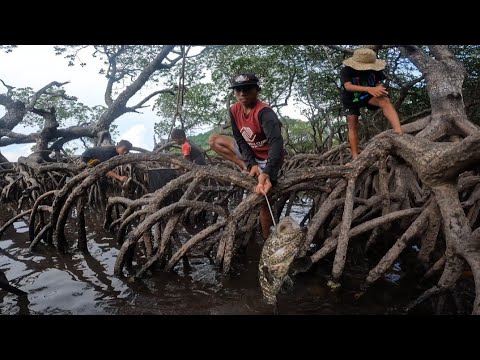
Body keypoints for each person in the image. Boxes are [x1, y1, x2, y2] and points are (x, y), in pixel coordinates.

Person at [209, 72, 284, 239]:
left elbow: (277, 144)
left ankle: (267, 241)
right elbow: (240, 140)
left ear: (257, 90)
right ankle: (244, 166)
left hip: (267, 156)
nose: (242, 93)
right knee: (214, 140)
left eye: (247, 89)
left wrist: (267, 171)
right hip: (249, 151)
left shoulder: (265, 113)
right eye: (238, 90)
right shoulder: (234, 110)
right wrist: (250, 164)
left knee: (263, 199)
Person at [340, 47, 403, 160]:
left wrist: (379, 88)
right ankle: (355, 157)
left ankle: (399, 133)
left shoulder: (375, 70)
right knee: (353, 124)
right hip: (350, 99)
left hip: (368, 96)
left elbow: (378, 83)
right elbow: (348, 86)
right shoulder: (346, 70)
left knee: (385, 100)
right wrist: (369, 89)